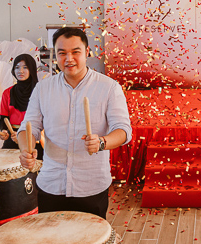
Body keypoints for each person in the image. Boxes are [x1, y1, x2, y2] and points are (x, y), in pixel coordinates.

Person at [19, 27, 132, 219]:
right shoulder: (43, 88)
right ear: (55, 56)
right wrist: (25, 149)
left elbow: (123, 130)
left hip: (91, 184)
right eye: (62, 53)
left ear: (87, 52)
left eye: (75, 52)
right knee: (53, 243)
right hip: (51, 183)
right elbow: (28, 127)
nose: (68, 59)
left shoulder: (108, 88)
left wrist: (102, 142)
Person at [0, 53, 39, 150]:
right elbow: (3, 117)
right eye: (17, 67)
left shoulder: (39, 92)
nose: (20, 71)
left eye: (25, 67)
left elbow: (45, 120)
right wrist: (4, 131)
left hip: (33, 136)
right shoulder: (7, 93)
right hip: (12, 136)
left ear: (32, 69)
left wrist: (23, 136)